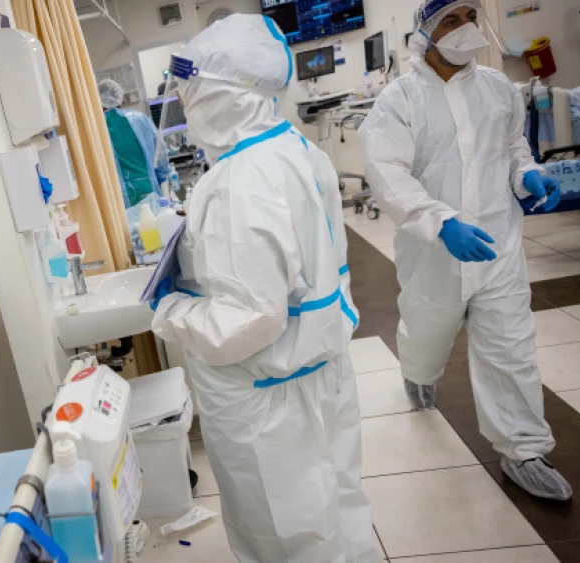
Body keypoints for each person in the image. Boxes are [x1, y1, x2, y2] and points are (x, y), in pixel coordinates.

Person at [150, 14, 378, 562]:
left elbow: (250, 321)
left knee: (286, 534)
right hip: (319, 373)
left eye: (193, 89)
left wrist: (170, 308)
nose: (186, 101)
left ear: (228, 93)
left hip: (265, 397)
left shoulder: (238, 182)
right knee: (338, 507)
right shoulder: (295, 149)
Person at [358, 0, 571, 501]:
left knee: (510, 346)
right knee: (428, 327)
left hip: (500, 241)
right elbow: (387, 172)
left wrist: (528, 173)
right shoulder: (400, 99)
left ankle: (523, 449)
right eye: (450, 21)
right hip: (435, 248)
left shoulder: (498, 89)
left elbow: (513, 147)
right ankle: (418, 373)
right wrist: (440, 220)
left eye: (471, 17)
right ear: (426, 34)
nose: (465, 29)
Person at [98, 78, 171, 209]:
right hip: (148, 188)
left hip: (120, 196)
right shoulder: (139, 118)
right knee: (153, 226)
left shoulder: (97, 127)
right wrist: (161, 177)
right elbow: (160, 153)